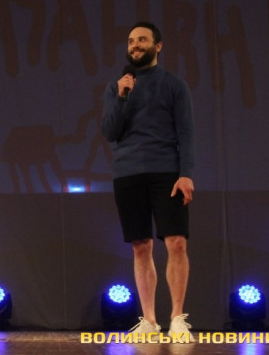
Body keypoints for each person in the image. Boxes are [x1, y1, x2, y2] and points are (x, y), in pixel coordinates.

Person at [101, 22, 195, 343]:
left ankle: (177, 319)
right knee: (141, 247)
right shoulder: (117, 87)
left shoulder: (174, 84)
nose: (135, 45)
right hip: (128, 173)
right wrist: (122, 97)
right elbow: (110, 132)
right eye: (130, 41)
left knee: (176, 242)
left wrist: (186, 173)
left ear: (158, 46)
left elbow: (186, 132)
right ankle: (150, 322)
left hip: (167, 172)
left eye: (142, 39)